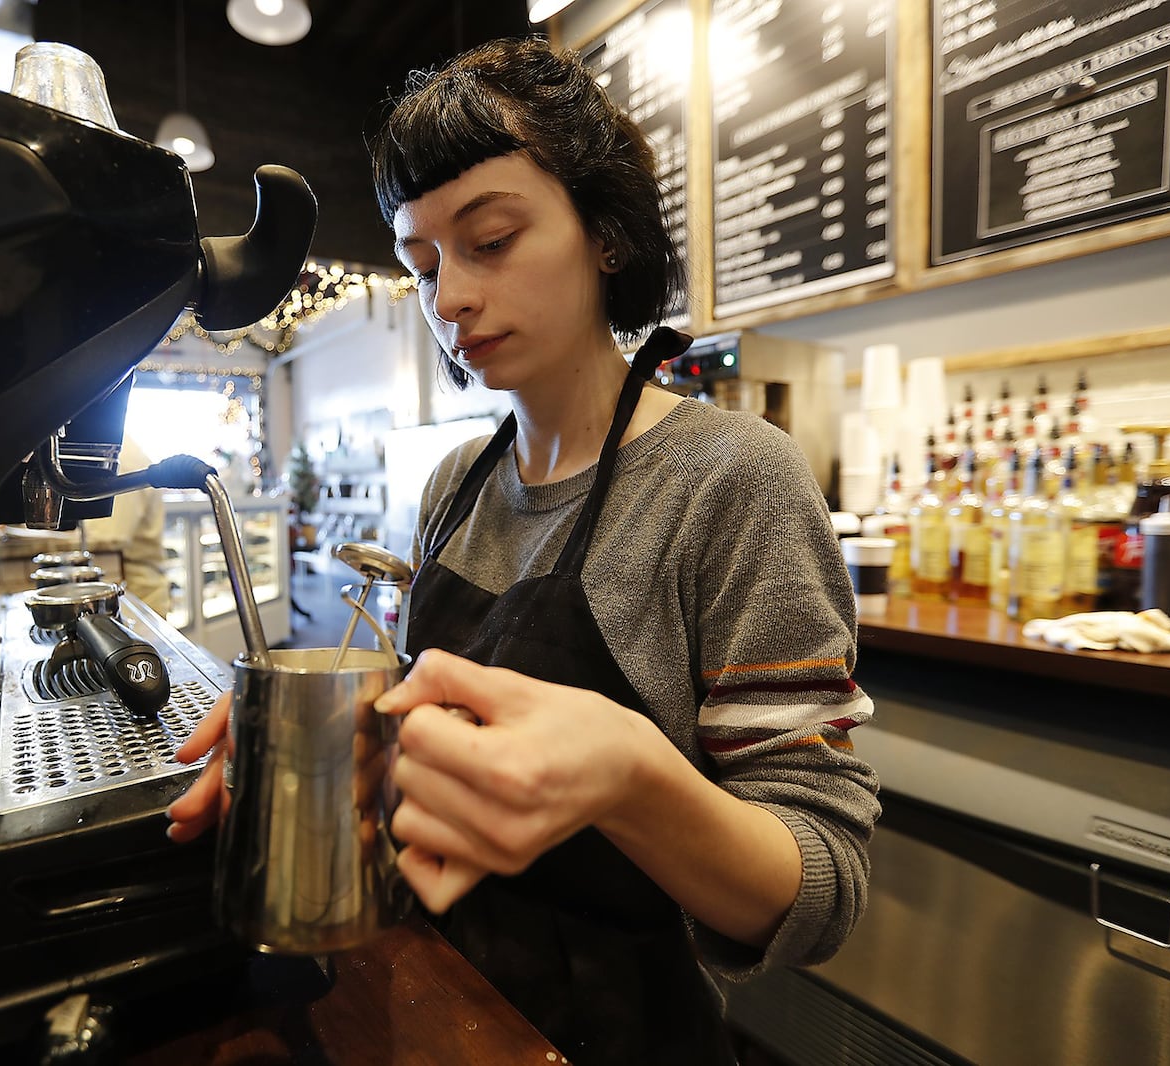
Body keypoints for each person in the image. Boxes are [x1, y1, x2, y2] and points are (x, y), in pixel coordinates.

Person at [169, 36, 880, 1065]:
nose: (448, 297)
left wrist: (633, 776)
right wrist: (325, 747)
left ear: (604, 235)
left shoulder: (728, 478)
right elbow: (441, 747)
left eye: (490, 239)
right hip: (440, 996)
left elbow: (823, 888)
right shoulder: (456, 482)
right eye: (421, 266)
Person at [81, 434, 173, 619]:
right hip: (131, 596)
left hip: (139, 600)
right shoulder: (112, 451)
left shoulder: (121, 458)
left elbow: (108, 538)